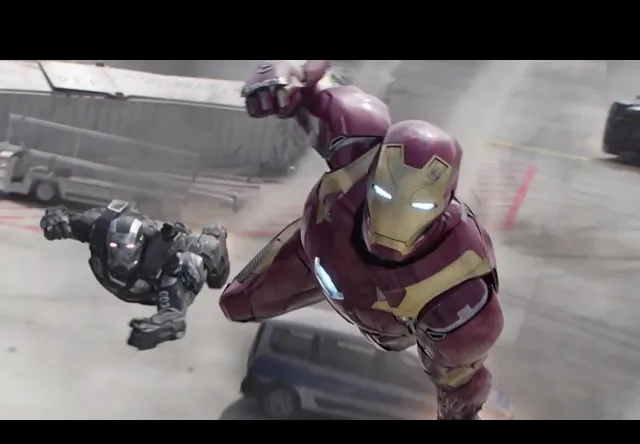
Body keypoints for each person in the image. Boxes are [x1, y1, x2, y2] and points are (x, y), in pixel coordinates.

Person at [219, 60, 505, 420]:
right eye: (384, 193)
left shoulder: (459, 283)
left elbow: (459, 382)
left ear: (443, 203)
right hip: (316, 253)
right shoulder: (357, 144)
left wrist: (461, 404)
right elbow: (308, 84)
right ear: (376, 170)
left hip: (350, 286)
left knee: (459, 371)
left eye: (419, 205)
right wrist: (283, 82)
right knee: (237, 303)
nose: (395, 219)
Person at [40, 199, 230, 350]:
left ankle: (217, 245)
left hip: (153, 288)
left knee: (196, 256)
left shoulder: (163, 254)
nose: (121, 254)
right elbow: (60, 217)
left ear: (138, 244)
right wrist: (54, 220)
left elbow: (175, 318)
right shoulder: (97, 230)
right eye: (115, 246)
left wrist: (159, 328)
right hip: (131, 283)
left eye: (128, 247)